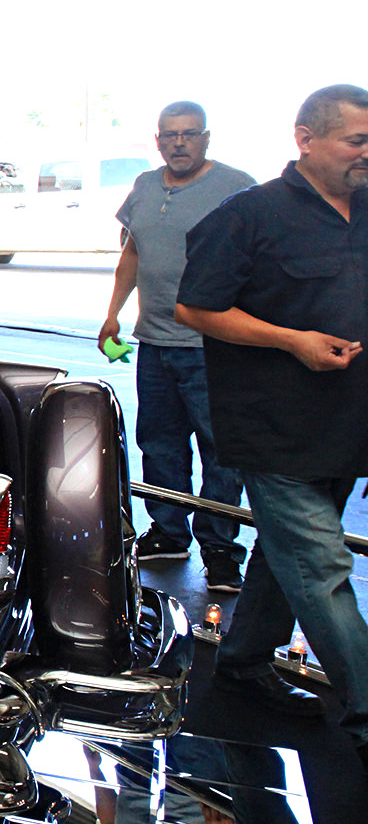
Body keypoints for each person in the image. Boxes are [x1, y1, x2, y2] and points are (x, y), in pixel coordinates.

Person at [176, 84, 368, 750]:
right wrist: (292, 340)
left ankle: (243, 659)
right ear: (306, 138)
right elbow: (196, 309)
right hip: (275, 428)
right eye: (356, 140)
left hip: (347, 427)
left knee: (285, 555)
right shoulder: (250, 215)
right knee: (321, 566)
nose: (366, 153)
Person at [99, 102, 256, 591]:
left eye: (189, 134)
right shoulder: (145, 186)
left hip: (216, 348)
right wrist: (112, 314)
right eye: (170, 135)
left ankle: (221, 550)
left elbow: (260, 257)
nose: (179, 143)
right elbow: (133, 253)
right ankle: (168, 534)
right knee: (160, 446)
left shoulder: (236, 186)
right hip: (155, 344)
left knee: (221, 452)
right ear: (158, 140)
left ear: (206, 138)